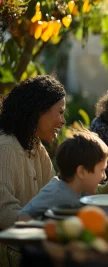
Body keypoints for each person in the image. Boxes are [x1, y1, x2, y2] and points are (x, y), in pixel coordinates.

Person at [0, 75, 66, 230]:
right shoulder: (7, 147)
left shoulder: (35, 145)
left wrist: (102, 189)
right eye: (60, 112)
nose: (63, 121)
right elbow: (4, 213)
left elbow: (53, 194)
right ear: (38, 111)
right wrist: (45, 225)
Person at [17, 129, 108, 219]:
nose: (104, 176)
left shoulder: (81, 191)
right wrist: (44, 233)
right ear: (81, 172)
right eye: (102, 170)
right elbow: (23, 216)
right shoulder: (55, 193)